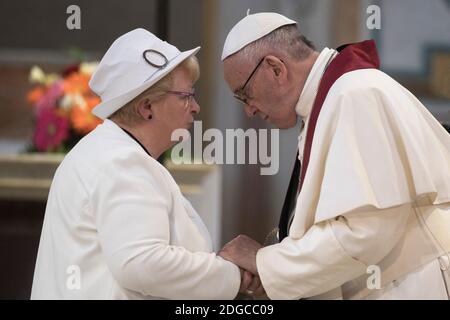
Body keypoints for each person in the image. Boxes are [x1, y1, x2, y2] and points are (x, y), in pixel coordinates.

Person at [218, 12, 450, 300]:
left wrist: (266, 263)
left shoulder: (355, 94)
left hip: (413, 285)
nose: (249, 110)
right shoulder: (329, 101)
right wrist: (279, 270)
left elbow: (366, 232)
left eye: (244, 94)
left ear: (276, 68)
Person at [31, 28, 262, 299]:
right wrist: (233, 276)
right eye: (186, 96)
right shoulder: (122, 161)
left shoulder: (107, 151)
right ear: (147, 107)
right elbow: (142, 263)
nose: (196, 107)